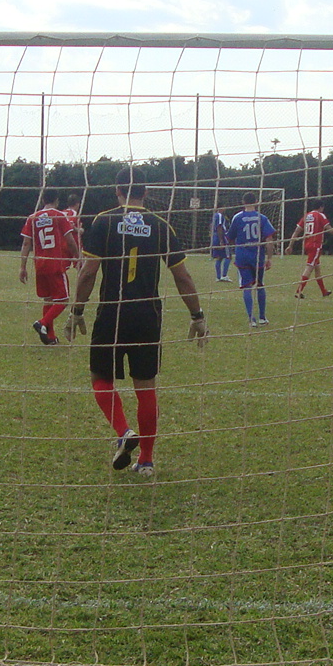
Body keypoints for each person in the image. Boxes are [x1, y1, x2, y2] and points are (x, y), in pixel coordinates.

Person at [67, 175, 208, 478]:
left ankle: (123, 432)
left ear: (117, 190)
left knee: (100, 377)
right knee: (146, 386)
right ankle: (146, 460)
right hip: (147, 315)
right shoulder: (160, 225)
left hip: (112, 313)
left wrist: (77, 310)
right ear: (146, 193)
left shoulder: (104, 221)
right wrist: (197, 315)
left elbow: (89, 272)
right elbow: (182, 276)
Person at [20, 192, 82, 344]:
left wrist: (22, 267)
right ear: (57, 201)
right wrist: (78, 257)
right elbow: (70, 241)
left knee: (48, 299)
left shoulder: (32, 217)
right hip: (55, 264)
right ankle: (42, 323)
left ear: (42, 200)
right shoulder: (59, 215)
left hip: (40, 265)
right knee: (63, 300)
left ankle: (50, 336)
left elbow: (26, 243)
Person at [226, 194, 276, 325]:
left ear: (243, 202)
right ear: (256, 202)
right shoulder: (262, 218)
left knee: (246, 286)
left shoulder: (237, 217)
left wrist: (234, 248)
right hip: (257, 256)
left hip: (242, 256)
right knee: (260, 285)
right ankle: (262, 317)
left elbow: (230, 237)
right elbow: (269, 239)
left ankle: (251, 319)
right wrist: (269, 258)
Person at [289, 202, 333, 299]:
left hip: (307, 244)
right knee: (309, 267)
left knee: (317, 268)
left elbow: (296, 231)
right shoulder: (320, 215)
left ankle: (324, 291)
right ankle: (298, 291)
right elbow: (329, 229)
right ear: (321, 207)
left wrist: (290, 245)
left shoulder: (306, 216)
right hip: (315, 245)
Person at [209, 208, 231, 282]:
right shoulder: (219, 215)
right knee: (228, 256)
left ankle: (218, 277)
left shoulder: (214, 216)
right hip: (220, 237)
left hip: (215, 237)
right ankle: (224, 275)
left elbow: (211, 226)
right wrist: (221, 240)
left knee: (219, 257)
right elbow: (219, 227)